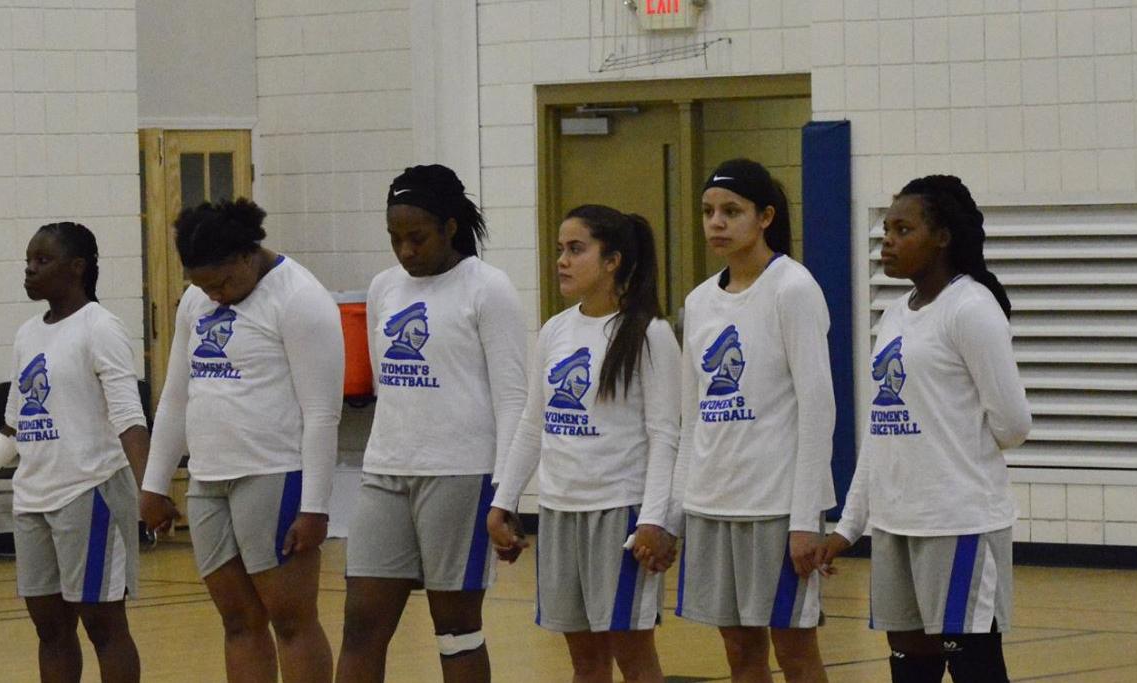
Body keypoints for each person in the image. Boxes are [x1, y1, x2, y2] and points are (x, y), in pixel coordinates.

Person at [805, 176, 1032, 683]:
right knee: (911, 669)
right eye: (886, 228)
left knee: (975, 668)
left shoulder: (971, 308)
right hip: (895, 524)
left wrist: (950, 447)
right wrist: (848, 526)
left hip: (958, 523)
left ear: (944, 237)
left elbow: (1014, 424)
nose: (887, 240)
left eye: (903, 229)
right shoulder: (893, 315)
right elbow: (882, 432)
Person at [337, 165, 528, 683]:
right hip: (385, 470)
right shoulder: (384, 288)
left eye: (416, 238)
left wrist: (505, 496)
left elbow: (514, 400)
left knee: (455, 630)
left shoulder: (488, 289)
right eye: (395, 239)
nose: (405, 251)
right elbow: (385, 383)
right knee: (360, 627)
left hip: (460, 476)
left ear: (449, 227)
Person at [138, 198, 341, 683]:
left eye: (223, 283)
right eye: (203, 286)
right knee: (237, 622)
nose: (215, 296)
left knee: (291, 622)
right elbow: (175, 398)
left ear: (249, 255)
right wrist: (154, 483)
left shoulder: (300, 299)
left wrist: (314, 506)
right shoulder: (199, 300)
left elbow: (321, 413)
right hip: (208, 480)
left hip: (273, 475)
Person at [485, 205, 680, 683]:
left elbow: (666, 436)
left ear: (611, 260)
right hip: (558, 512)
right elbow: (534, 425)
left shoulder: (649, 333)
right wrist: (503, 500)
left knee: (633, 657)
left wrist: (656, 518)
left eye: (576, 249)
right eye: (559, 250)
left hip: (620, 512)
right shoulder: (555, 330)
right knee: (585, 662)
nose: (562, 261)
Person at [0, 222, 148, 683]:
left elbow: (130, 419)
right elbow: (15, 427)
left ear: (77, 268)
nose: (30, 271)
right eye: (28, 261)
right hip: (33, 498)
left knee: (104, 627)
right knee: (50, 628)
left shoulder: (102, 328)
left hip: (90, 492)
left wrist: (149, 488)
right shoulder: (26, 335)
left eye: (43, 261)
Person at [672, 159, 835, 683]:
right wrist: (678, 508)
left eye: (731, 211)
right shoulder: (698, 302)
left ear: (765, 217)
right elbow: (690, 415)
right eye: (707, 211)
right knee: (740, 651)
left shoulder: (793, 288)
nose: (716, 223)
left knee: (795, 650)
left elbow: (817, 406)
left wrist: (806, 516)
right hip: (713, 503)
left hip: (775, 506)